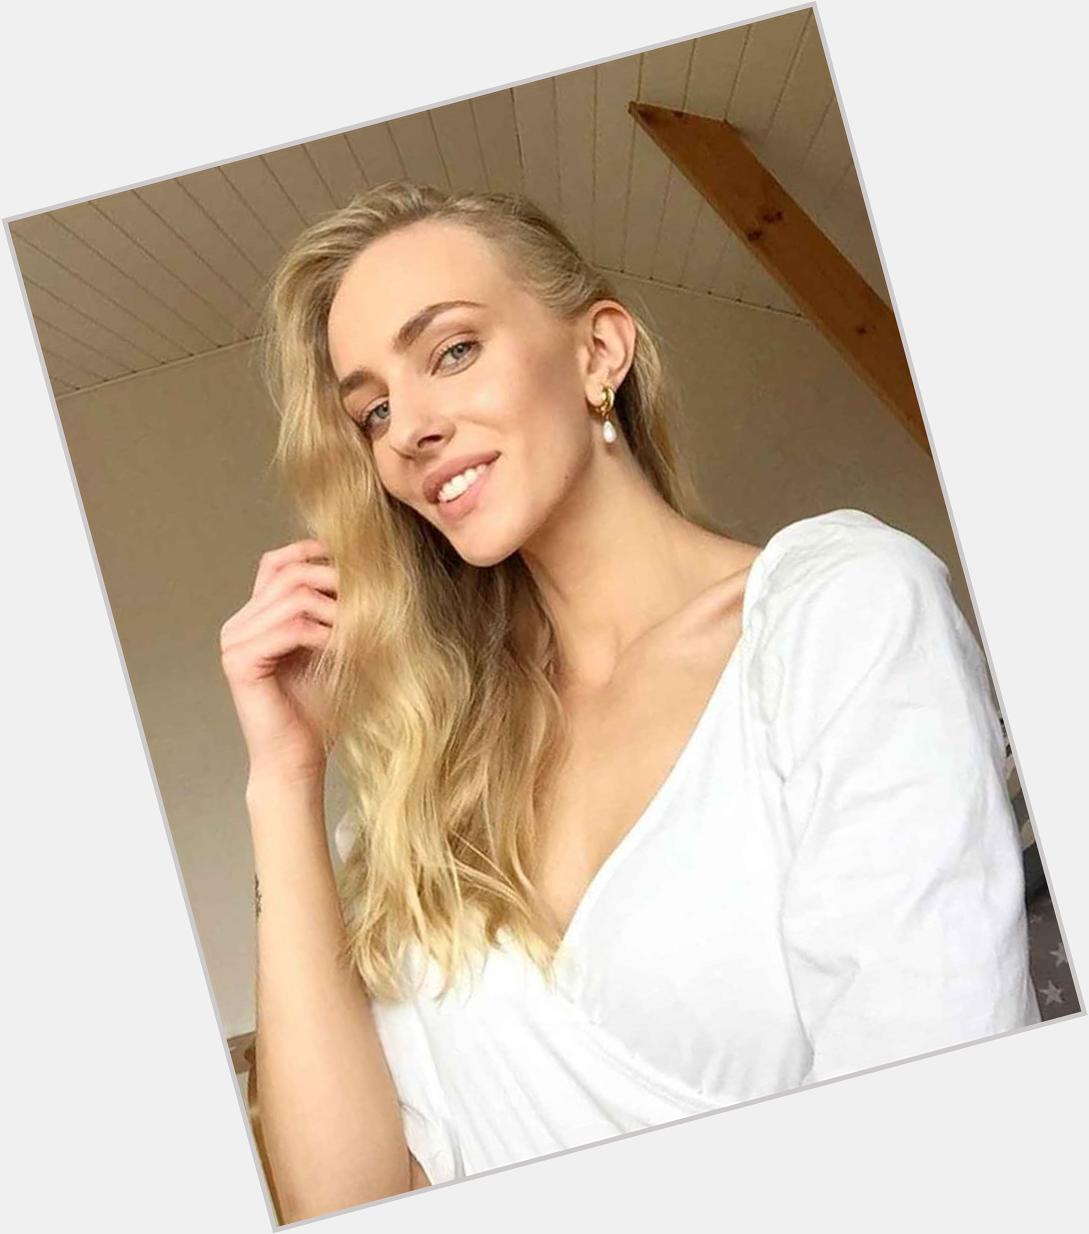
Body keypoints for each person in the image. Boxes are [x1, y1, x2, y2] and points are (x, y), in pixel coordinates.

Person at [219, 180, 1039, 1222]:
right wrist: (284, 776)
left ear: (598, 351)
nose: (409, 430)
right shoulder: (425, 780)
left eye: (453, 351)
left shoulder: (837, 616)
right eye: (372, 411)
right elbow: (343, 1198)